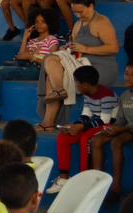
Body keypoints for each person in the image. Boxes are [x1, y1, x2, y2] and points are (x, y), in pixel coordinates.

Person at [38, 0, 119, 129]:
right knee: (50, 59)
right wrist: (67, 49)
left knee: (55, 68)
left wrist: (85, 49)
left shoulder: (101, 21)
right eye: (75, 12)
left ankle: (49, 118)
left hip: (100, 68)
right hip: (80, 63)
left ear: (91, 6)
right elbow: (75, 48)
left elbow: (114, 48)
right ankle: (57, 94)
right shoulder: (77, 24)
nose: (78, 15)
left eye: (81, 12)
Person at [0, 9, 60, 123]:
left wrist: (32, 57)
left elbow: (51, 61)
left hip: (37, 70)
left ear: (49, 23)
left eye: (43, 22)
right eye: (36, 22)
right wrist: (25, 38)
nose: (39, 24)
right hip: (24, 65)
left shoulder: (52, 40)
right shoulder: (33, 40)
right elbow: (21, 55)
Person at [46, 66, 118, 194]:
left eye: (76, 83)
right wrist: (74, 126)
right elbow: (86, 115)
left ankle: (84, 178)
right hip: (94, 123)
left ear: (85, 85)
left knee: (86, 138)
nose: (76, 85)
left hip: (108, 125)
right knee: (64, 137)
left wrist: (82, 127)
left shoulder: (107, 95)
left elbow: (105, 120)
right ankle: (64, 178)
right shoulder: (87, 94)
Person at [87, 60, 133, 196]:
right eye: (126, 73)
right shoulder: (124, 95)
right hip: (125, 128)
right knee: (96, 139)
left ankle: (116, 185)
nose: (128, 77)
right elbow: (121, 119)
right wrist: (113, 128)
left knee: (116, 142)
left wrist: (121, 129)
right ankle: (97, 182)